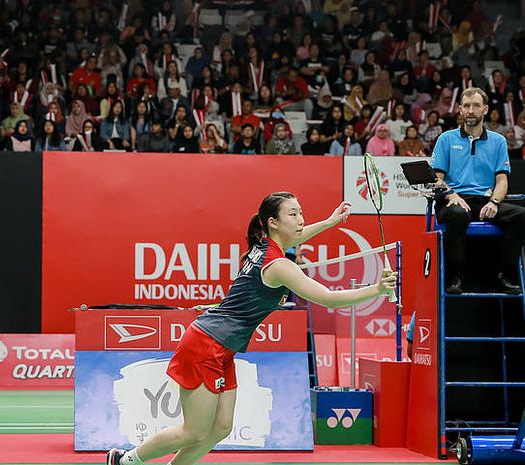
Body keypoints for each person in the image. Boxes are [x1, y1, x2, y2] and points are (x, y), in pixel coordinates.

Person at [106, 193, 396, 465]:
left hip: (221, 347)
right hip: (206, 344)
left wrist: (331, 222)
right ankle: (124, 460)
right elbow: (327, 298)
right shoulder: (279, 265)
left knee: (220, 428)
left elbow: (298, 235)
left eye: (301, 213)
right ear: (273, 222)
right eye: (292, 214)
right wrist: (377, 289)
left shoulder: (265, 245)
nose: (300, 220)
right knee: (193, 431)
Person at [431, 87, 525, 294]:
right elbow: (436, 179)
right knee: (457, 214)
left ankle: (506, 274)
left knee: (520, 215)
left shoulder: (498, 141)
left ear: (485, 109)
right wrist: (451, 194)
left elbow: (502, 181)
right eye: (466, 106)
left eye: (475, 105)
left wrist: (494, 202)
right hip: (452, 201)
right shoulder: (446, 139)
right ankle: (455, 275)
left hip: (483, 201)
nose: (470, 110)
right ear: (460, 110)